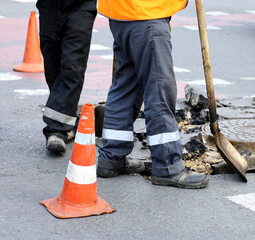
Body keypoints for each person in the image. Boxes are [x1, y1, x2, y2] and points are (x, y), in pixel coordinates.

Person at [96, 0, 209, 189]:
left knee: (125, 86)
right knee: (159, 90)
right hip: (147, 12)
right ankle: (167, 166)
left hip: (121, 13)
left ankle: (111, 157)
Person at [36, 0, 97, 153]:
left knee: (72, 66)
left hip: (81, 6)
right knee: (52, 66)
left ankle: (57, 130)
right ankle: (67, 117)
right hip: (49, 6)